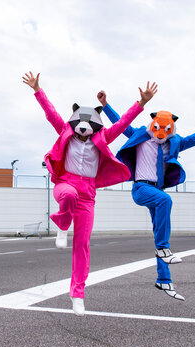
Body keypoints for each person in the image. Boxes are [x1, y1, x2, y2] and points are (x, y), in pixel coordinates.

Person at [23, 71, 157, 315]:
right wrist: (37, 90)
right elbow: (51, 113)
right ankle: (63, 225)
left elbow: (122, 123)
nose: (83, 128)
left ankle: (77, 293)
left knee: (82, 244)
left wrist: (142, 103)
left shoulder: (103, 137)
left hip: (88, 194)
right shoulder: (64, 131)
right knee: (69, 195)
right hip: (66, 184)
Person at [98, 90, 195, 300]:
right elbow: (121, 123)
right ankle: (165, 249)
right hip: (141, 189)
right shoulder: (140, 135)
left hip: (157, 191)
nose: (161, 134)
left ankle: (164, 280)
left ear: (171, 129)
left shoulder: (174, 142)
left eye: (166, 130)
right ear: (152, 124)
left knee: (160, 234)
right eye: (158, 128)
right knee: (166, 201)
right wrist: (105, 105)